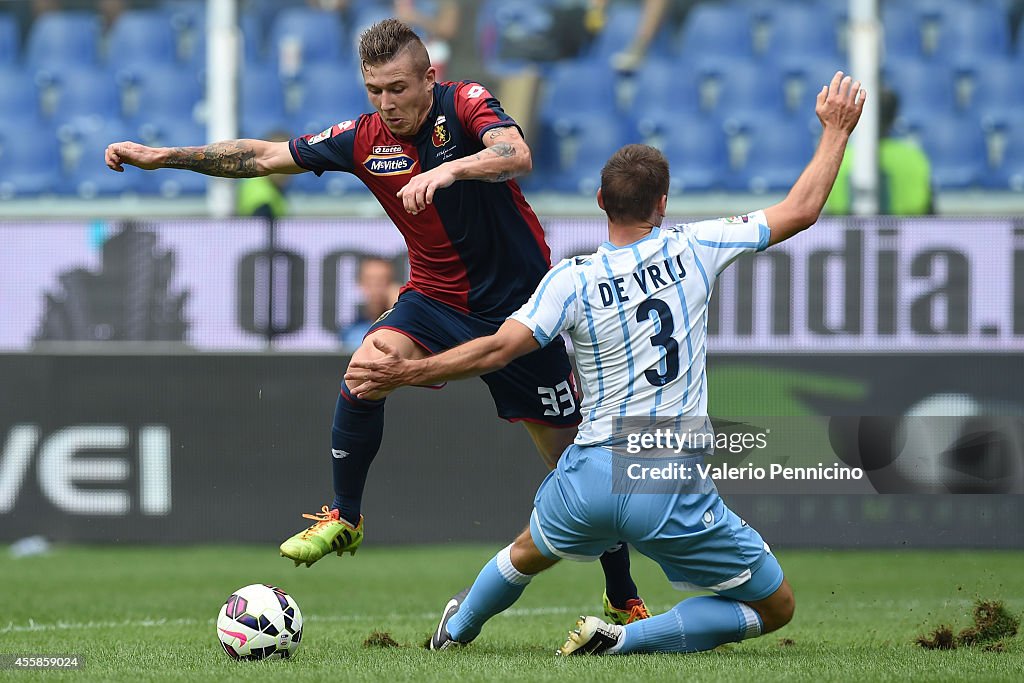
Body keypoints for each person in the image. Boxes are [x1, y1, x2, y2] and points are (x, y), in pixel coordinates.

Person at [104, 18, 646, 622]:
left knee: (575, 462)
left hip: (523, 311)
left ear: (427, 78)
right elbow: (261, 156)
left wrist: (449, 169)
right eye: (375, 91)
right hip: (436, 299)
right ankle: (346, 516)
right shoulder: (362, 139)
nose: (387, 104)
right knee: (366, 370)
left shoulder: (464, 106)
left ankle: (622, 595)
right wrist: (162, 158)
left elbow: (514, 153)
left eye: (398, 88)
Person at [345, 71, 865, 653]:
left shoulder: (569, 278)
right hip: (663, 475)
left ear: (599, 202)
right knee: (775, 606)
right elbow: (801, 209)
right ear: (662, 205)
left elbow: (495, 349)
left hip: (590, 471)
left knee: (524, 554)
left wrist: (411, 373)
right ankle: (624, 640)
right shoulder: (695, 246)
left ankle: (457, 629)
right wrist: (836, 130)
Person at [825, 87, 932, 216]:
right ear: (894, 117)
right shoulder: (914, 157)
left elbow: (830, 214)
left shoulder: (838, 158)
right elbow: (930, 212)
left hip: (849, 234)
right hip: (910, 234)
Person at [339, 257, 402, 350]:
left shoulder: (403, 325)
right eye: (370, 280)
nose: (376, 287)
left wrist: (398, 308)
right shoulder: (351, 332)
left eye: (382, 280)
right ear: (361, 283)